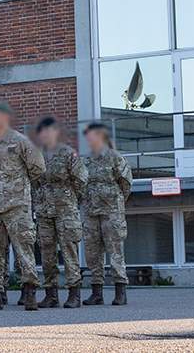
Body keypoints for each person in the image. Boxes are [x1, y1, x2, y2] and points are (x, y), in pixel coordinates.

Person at [0, 101, 45, 311]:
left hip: (17, 206)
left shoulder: (21, 141)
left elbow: (38, 168)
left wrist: (17, 187)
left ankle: (29, 292)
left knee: (24, 249)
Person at [32, 117, 88, 309]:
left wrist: (71, 200)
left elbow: (81, 180)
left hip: (65, 211)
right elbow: (33, 182)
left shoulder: (67, 153)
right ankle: (51, 294)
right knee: (47, 253)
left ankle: (74, 294)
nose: (45, 135)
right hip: (44, 211)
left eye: (48, 130)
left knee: (69, 251)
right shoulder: (37, 156)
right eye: (42, 132)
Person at [81, 122, 133, 306]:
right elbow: (80, 184)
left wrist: (115, 201)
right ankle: (97, 292)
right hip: (90, 212)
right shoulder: (86, 160)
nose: (88, 139)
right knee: (92, 252)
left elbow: (126, 183)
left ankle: (120, 291)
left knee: (115, 251)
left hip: (111, 212)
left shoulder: (114, 157)